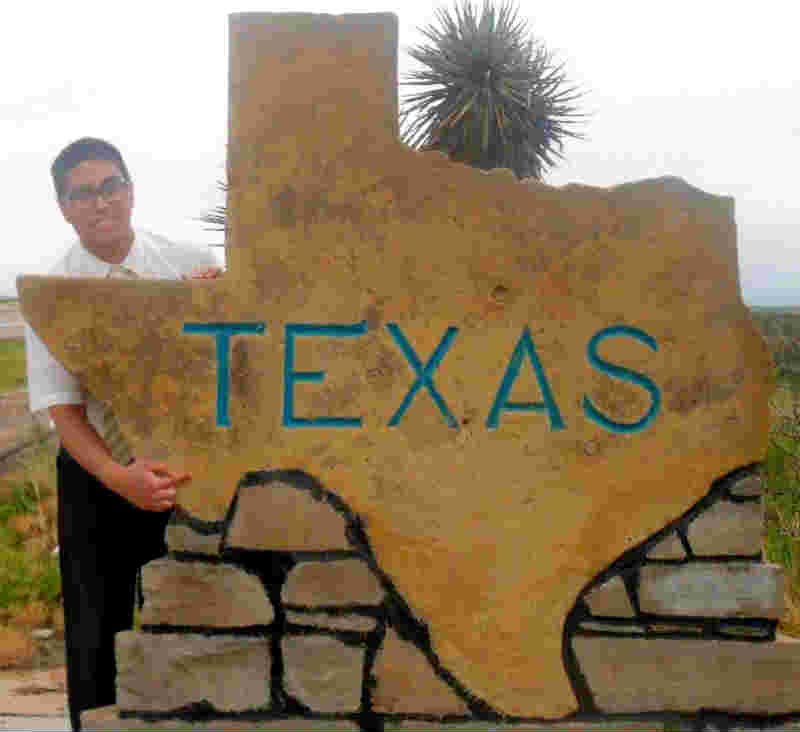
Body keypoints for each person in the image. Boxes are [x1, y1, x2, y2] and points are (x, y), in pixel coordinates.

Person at [23, 137, 222, 731]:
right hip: (99, 474)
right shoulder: (52, 291)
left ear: (131, 190)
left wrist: (222, 302)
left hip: (188, 469)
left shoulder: (187, 262)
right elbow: (63, 410)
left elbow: (233, 359)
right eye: (82, 193)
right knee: (98, 628)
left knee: (199, 615)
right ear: (64, 208)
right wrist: (119, 478)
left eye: (110, 186)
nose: (100, 202)